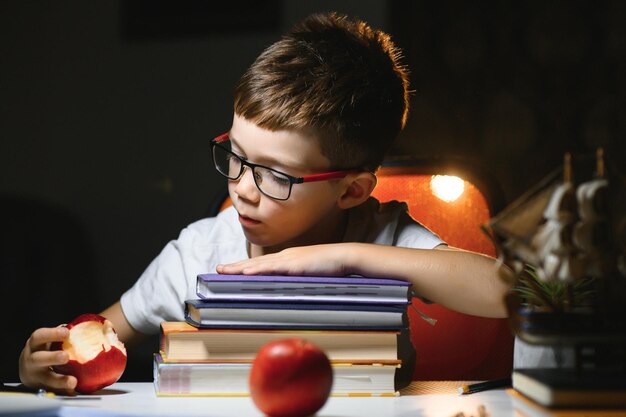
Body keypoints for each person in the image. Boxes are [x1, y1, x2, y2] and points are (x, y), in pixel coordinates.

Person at [19, 12, 510, 394]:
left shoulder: (378, 235)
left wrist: (345, 256)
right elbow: (105, 335)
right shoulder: (200, 250)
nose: (242, 189)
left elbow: (510, 291)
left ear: (352, 191)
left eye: (274, 174)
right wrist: (51, 364)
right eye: (235, 154)